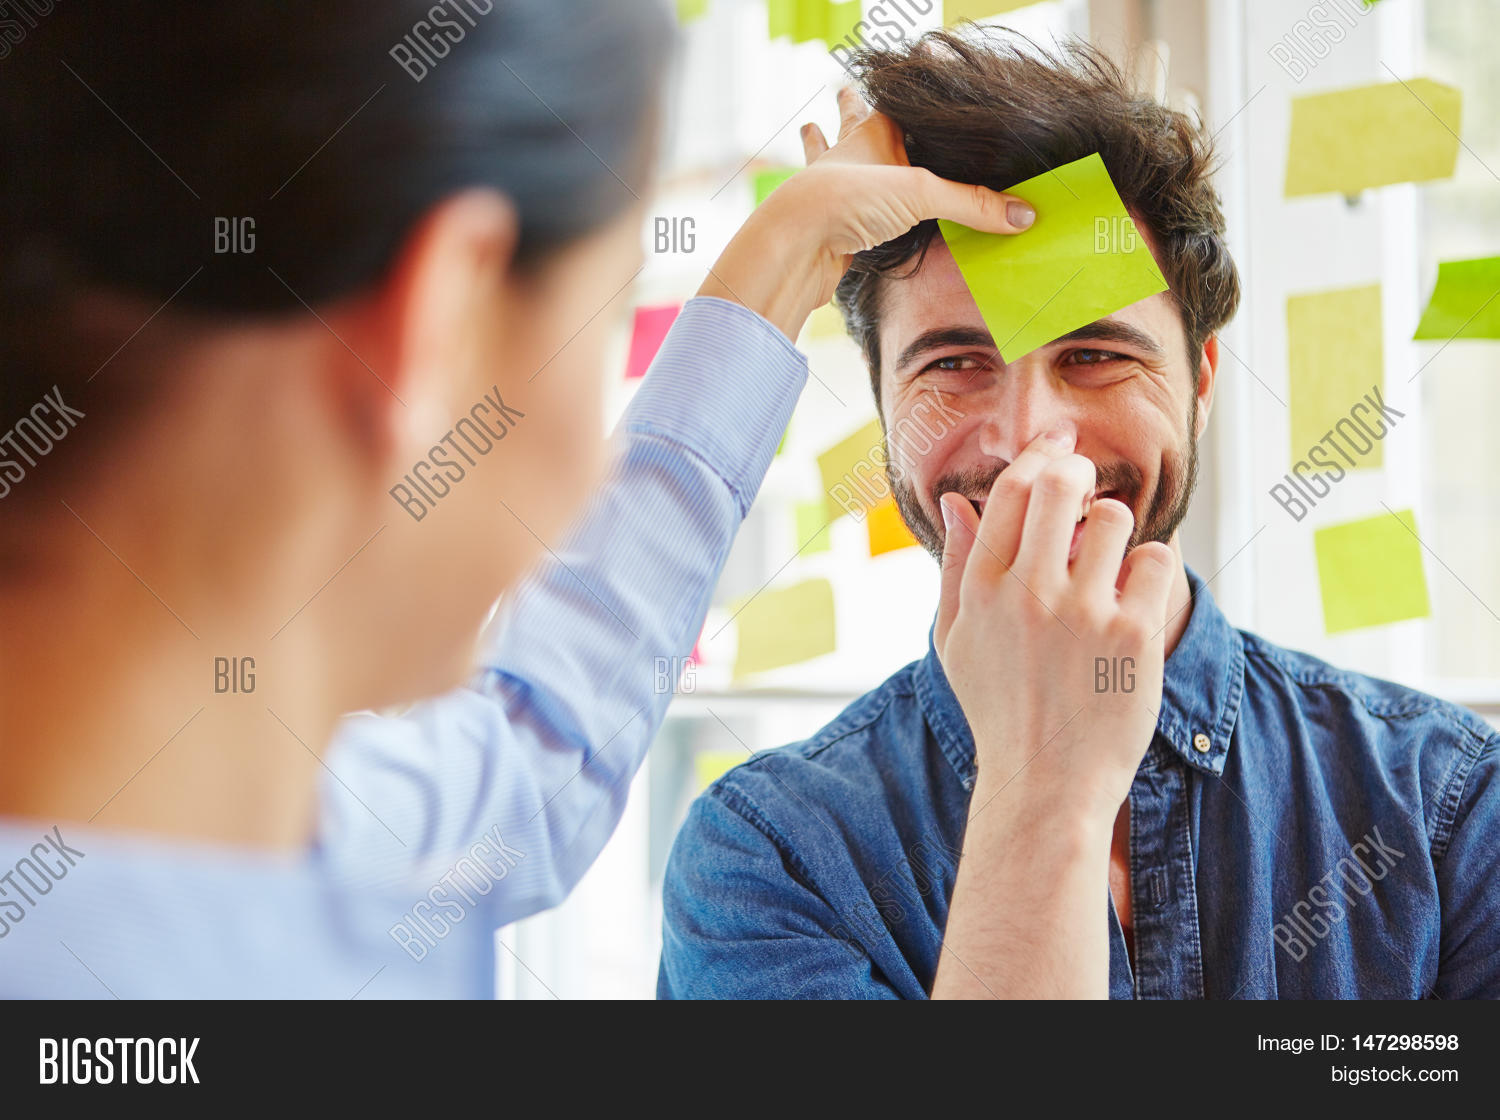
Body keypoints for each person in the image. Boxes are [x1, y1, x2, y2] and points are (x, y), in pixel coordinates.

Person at [0, 4, 1034, 997]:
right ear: (440, 324)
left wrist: (789, 250)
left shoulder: (287, 820)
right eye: (601, 323)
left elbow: (542, 751)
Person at [658, 29, 1500, 999]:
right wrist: (1043, 779)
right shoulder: (769, 857)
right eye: (955, 363)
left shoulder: (1447, 808)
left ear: (1201, 382)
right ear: (885, 402)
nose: (1032, 444)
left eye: (1095, 356)